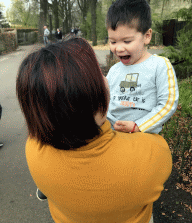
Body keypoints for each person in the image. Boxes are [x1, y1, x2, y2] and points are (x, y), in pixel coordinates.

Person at [16, 38, 172, 223]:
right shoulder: (151, 152)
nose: (105, 79)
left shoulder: (33, 148)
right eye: (98, 75)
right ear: (96, 104)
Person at [106, 0, 179, 134]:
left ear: (147, 36)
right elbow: (104, 101)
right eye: (113, 42)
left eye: (127, 41)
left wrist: (139, 126)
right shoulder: (114, 70)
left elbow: (168, 103)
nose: (119, 48)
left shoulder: (160, 65)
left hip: (144, 137)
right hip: (113, 136)